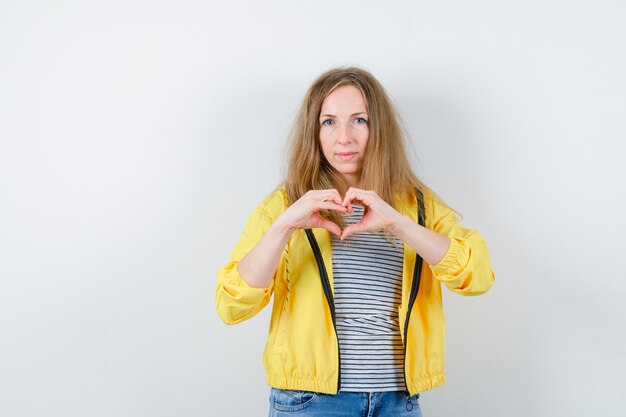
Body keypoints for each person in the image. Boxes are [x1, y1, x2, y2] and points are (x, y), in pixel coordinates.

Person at [216, 67, 495, 416]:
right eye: (329, 122)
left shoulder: (418, 206)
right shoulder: (285, 206)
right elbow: (231, 305)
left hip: (398, 402)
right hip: (310, 402)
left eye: (359, 120)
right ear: (314, 132)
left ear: (379, 128)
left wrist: (399, 224)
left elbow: (478, 276)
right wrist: (283, 227)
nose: (344, 137)